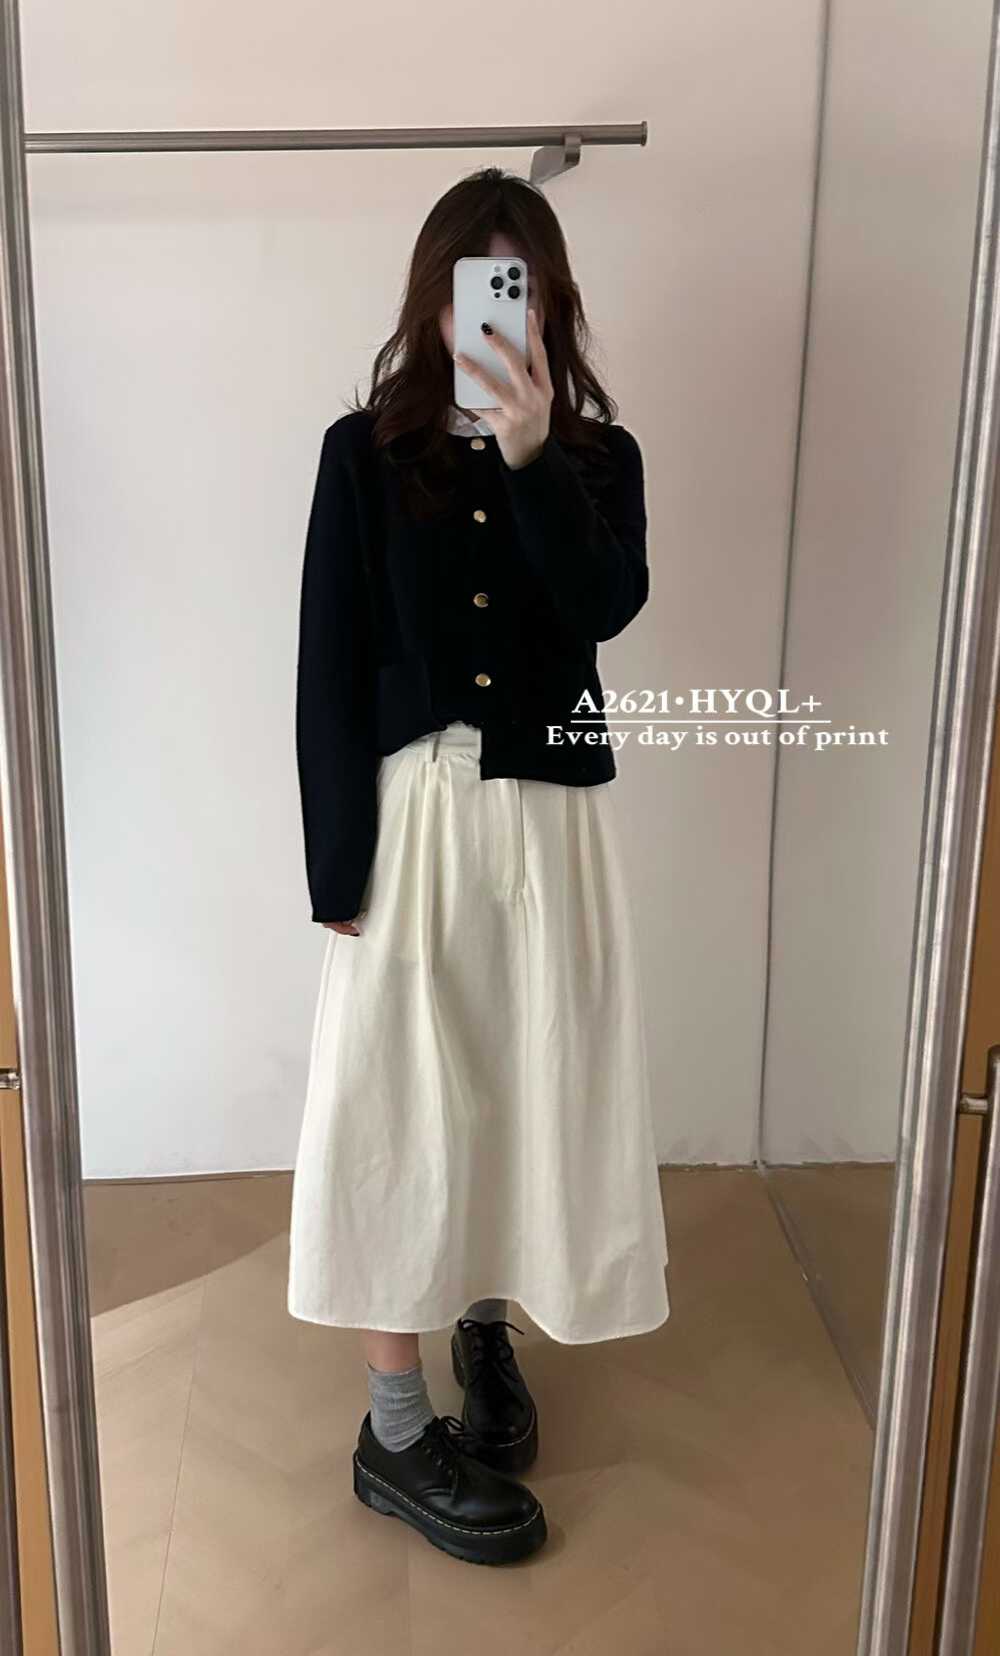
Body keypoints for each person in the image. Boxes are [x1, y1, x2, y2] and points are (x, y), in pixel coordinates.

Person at [288, 165, 670, 1567]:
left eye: (521, 288)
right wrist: (339, 869)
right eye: (474, 289)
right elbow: (330, 668)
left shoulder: (596, 460)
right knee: (395, 1103)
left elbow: (604, 606)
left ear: (551, 303)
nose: (496, 315)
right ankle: (394, 1434)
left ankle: (485, 1330)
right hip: (419, 819)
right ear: (435, 301)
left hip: (553, 818)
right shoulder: (363, 453)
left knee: (525, 1081)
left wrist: (529, 458)